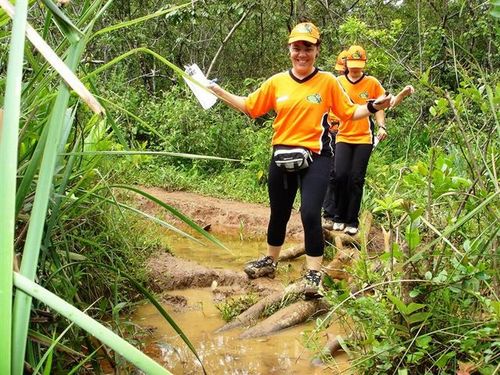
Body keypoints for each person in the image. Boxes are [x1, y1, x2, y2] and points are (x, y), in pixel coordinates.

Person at [208, 23, 391, 297]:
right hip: (282, 154)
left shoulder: (328, 81)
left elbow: (348, 112)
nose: (301, 53)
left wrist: (373, 106)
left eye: (308, 47)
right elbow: (251, 107)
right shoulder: (276, 82)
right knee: (278, 212)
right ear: (289, 49)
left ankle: (314, 275)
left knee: (309, 213)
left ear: (317, 50)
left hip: (317, 155)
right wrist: (218, 92)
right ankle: (270, 261)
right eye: (297, 47)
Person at [330, 45, 390, 235]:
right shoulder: (338, 82)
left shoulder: (372, 83)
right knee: (340, 175)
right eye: (351, 64)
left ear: (364, 63)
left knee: (356, 179)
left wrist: (381, 126)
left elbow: (380, 106)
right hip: (343, 135)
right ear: (345, 63)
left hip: (364, 137)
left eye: (358, 64)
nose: (355, 68)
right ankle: (338, 216)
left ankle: (351, 220)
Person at [322, 49, 348, 230]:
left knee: (344, 175)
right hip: (331, 132)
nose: (339, 72)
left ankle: (342, 213)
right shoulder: (334, 83)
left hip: (348, 134)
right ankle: (329, 213)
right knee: (332, 173)